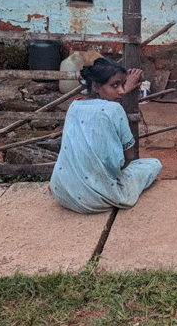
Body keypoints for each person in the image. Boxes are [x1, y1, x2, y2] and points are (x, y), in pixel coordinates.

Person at [49, 57, 162, 213]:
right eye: (115, 85)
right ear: (96, 86)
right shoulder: (115, 110)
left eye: (123, 85)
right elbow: (129, 157)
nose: (122, 91)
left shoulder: (74, 106)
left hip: (62, 192)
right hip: (95, 200)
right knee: (153, 164)